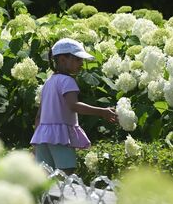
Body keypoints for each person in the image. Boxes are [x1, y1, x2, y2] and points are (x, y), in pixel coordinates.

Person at [30, 38, 118, 175]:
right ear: (63, 60)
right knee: (66, 176)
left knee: (45, 179)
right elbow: (74, 105)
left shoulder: (49, 82)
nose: (81, 64)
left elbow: (38, 116)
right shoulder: (67, 81)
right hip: (59, 137)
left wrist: (35, 145)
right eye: (78, 60)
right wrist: (102, 112)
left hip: (43, 136)